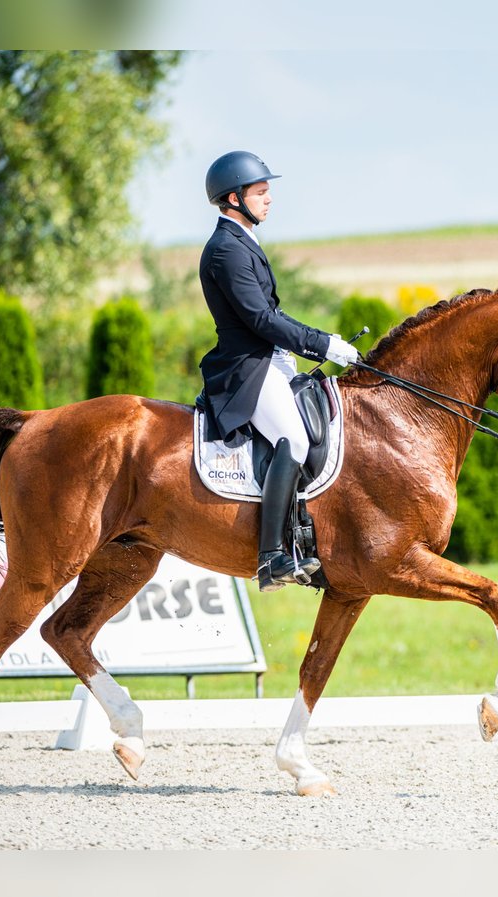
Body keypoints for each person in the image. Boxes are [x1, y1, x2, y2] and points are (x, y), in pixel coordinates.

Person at [197, 151, 360, 592]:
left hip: (270, 359)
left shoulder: (244, 240)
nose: (270, 199)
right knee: (295, 436)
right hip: (246, 367)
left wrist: (313, 341)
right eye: (261, 192)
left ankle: (303, 533)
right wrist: (322, 343)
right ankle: (271, 555)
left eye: (269, 191)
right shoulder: (226, 250)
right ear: (234, 198)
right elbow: (262, 321)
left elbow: (272, 313)